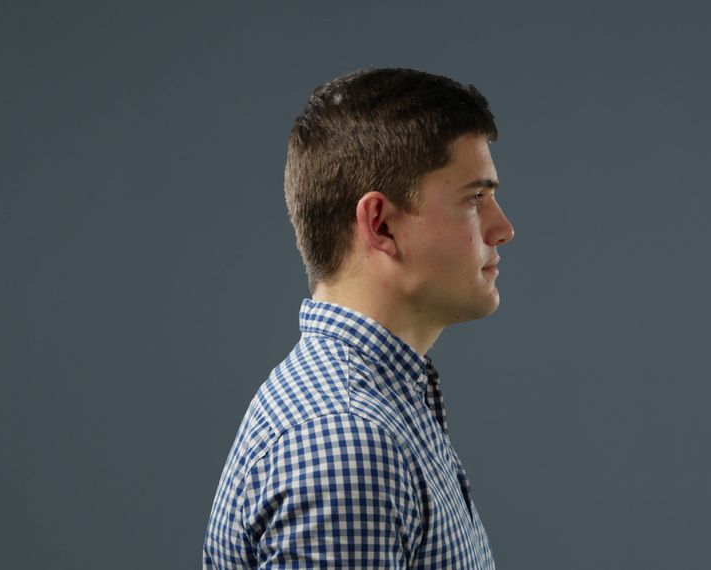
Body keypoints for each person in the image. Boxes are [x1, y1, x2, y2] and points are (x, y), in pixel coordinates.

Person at [203, 68, 514, 569]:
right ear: (381, 224)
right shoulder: (348, 441)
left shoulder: (380, 408)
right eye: (475, 199)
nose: (503, 228)